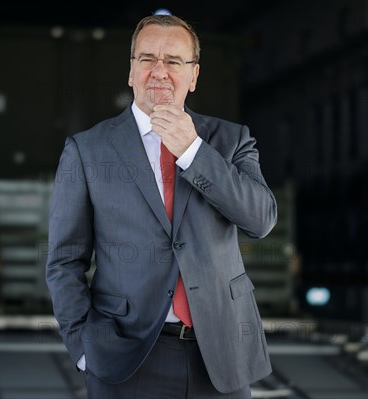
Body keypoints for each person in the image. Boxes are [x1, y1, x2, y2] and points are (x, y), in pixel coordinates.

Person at [46, 14, 277, 398]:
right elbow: (64, 259)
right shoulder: (88, 150)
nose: (159, 71)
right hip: (125, 356)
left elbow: (261, 219)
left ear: (194, 75)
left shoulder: (230, 140)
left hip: (220, 356)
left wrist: (193, 152)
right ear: (131, 72)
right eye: (147, 58)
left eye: (173, 61)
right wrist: (84, 349)